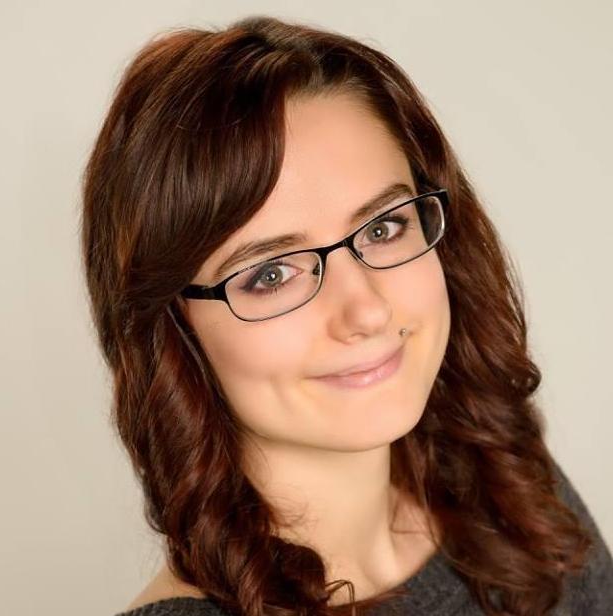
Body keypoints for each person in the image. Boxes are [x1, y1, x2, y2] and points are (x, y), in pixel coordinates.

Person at [80, 14, 613, 616]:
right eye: (271, 274)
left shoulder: (512, 491)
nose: (367, 310)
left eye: (384, 228)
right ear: (174, 327)